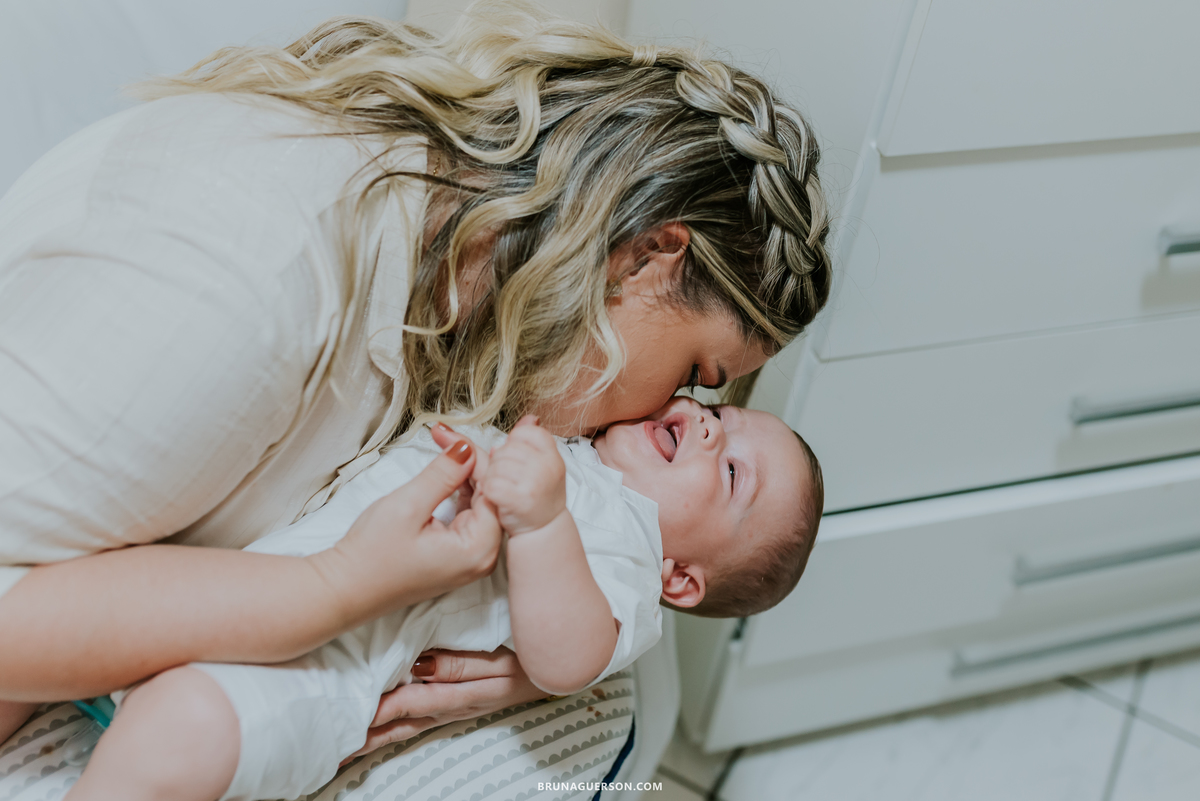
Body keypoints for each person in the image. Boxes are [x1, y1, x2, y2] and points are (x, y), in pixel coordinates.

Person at [0, 0, 832, 760]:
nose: (682, 411)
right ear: (646, 259)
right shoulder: (251, 283)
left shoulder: (471, 289)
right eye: (695, 373)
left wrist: (528, 649)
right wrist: (334, 591)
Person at [64, 396, 823, 801]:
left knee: (179, 726)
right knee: (74, 610)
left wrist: (544, 522)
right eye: (721, 414)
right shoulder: (581, 444)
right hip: (252, 583)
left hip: (322, 668)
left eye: (732, 475)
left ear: (681, 578)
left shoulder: (627, 557)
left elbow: (569, 657)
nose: (708, 428)